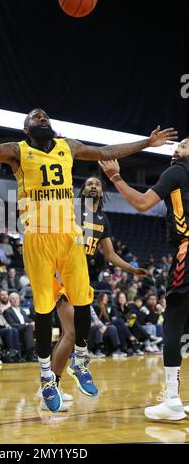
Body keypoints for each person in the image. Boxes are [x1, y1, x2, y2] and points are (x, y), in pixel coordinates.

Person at [0, 95, 177, 412]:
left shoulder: (70, 148)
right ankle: (46, 377)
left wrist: (148, 142)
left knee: (83, 302)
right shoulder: (17, 152)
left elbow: (107, 152)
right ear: (26, 129)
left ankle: (80, 361)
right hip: (38, 237)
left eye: (44, 115)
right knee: (42, 312)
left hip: (69, 236)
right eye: (35, 117)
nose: (41, 117)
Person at [99, 137, 189, 421]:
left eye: (185, 145)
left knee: (173, 322)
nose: (177, 149)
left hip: (186, 251)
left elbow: (141, 203)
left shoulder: (178, 171)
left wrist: (115, 177)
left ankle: (172, 400)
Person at [51, 176, 147, 402]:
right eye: (89, 184)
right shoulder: (72, 210)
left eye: (97, 184)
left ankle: (50, 384)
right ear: (82, 190)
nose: (93, 187)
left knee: (68, 334)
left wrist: (132, 269)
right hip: (62, 275)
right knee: (72, 333)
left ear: (102, 192)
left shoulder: (104, 219)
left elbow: (110, 254)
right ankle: (50, 385)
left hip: (82, 279)